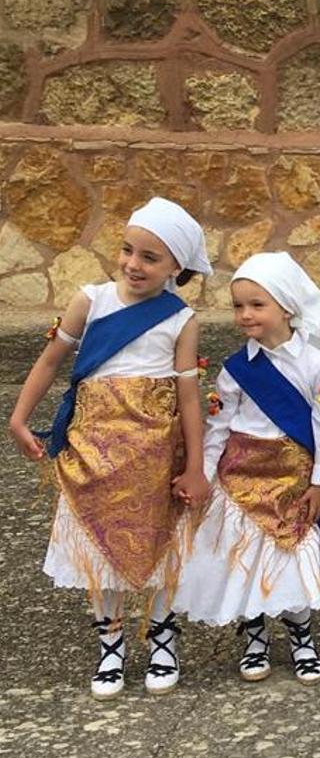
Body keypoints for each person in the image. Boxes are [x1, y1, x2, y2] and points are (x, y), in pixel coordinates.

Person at [9, 197, 213, 698]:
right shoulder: (91, 300)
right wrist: (18, 417)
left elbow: (189, 396)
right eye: (127, 250)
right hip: (93, 448)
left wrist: (196, 466)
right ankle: (111, 642)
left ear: (176, 268)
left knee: (163, 540)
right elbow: (51, 361)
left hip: (156, 451)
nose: (133, 264)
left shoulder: (180, 320)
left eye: (150, 257)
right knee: (98, 541)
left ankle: (162, 637)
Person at [174, 252, 320, 685]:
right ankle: (253, 636)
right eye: (238, 306)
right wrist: (205, 475)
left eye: (257, 305)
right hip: (240, 484)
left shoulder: (316, 366)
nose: (245, 315)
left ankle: (301, 635)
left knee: (291, 559)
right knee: (243, 560)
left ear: (286, 307)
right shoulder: (234, 371)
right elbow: (218, 428)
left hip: (293, 482)